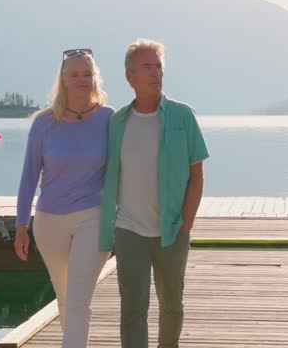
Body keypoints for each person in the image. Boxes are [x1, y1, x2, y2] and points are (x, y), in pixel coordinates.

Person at [99, 38, 210, 348]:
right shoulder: (117, 122)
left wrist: (186, 224)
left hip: (173, 229)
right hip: (129, 229)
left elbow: (197, 175)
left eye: (159, 66)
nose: (155, 73)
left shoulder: (182, 116)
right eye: (147, 67)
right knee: (132, 309)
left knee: (172, 305)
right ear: (130, 76)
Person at [15, 48, 113, 348]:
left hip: (92, 217)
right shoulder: (43, 123)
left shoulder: (110, 119)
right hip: (49, 222)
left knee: (78, 299)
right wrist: (21, 226)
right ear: (64, 79)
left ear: (94, 78)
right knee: (65, 296)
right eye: (75, 74)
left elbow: (124, 167)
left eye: (87, 73)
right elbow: (29, 176)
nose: (82, 79)